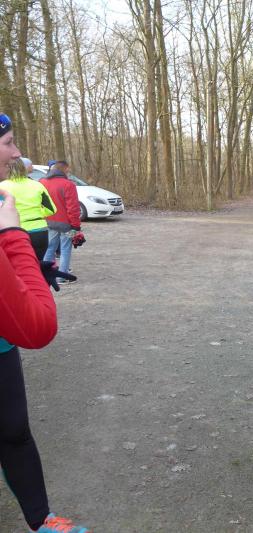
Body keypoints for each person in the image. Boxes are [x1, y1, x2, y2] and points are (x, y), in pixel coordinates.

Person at [0, 113, 89, 533]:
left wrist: (31, 269)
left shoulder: (16, 189)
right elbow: (38, 329)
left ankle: (41, 520)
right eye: (8, 143)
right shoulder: (43, 188)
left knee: (15, 431)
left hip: (4, 340)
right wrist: (14, 238)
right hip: (27, 242)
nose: (17, 153)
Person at [0, 157, 56, 259]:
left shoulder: (2, 187)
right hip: (39, 231)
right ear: (23, 168)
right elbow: (52, 209)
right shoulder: (37, 185)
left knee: (18, 265)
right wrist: (36, 213)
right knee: (38, 264)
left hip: (14, 231)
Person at [40, 161, 81, 283]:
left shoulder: (42, 182)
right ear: (65, 169)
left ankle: (45, 273)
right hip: (66, 224)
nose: (69, 171)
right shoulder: (68, 184)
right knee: (65, 249)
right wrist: (76, 226)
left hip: (49, 221)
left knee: (50, 248)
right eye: (68, 169)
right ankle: (62, 276)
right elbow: (73, 207)